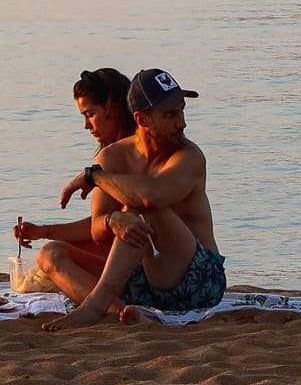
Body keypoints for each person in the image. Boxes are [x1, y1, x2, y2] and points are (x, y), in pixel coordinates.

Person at [44, 67, 225, 331]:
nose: (182, 123)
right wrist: (112, 218)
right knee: (52, 252)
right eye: (171, 114)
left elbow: (152, 197)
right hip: (144, 282)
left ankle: (94, 306)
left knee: (142, 206)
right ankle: (120, 311)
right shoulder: (112, 158)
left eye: (182, 110)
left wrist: (94, 177)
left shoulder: (189, 157)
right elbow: (97, 230)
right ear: (142, 119)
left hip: (198, 282)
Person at [13, 68, 137, 298]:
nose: (87, 126)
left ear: (111, 107)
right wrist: (44, 231)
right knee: (69, 251)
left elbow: (98, 230)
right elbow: (103, 225)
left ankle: (113, 310)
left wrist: (47, 234)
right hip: (152, 259)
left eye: (90, 114)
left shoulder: (113, 156)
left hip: (138, 268)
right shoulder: (145, 147)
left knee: (49, 256)